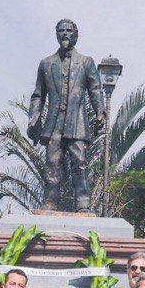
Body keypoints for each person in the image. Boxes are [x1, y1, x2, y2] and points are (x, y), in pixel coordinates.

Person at [26, 18, 106, 211]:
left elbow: (95, 89)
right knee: (52, 163)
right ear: (56, 34)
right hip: (54, 124)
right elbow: (38, 95)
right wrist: (33, 117)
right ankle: (50, 202)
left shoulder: (86, 62)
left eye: (69, 31)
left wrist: (100, 111)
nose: (65, 34)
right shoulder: (46, 64)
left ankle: (83, 204)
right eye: (61, 31)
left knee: (80, 163)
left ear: (76, 35)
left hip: (77, 123)